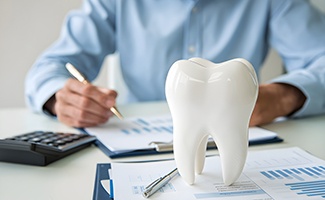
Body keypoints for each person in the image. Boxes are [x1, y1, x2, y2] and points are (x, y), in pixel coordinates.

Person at [25, 0, 325, 128]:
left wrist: (285, 95)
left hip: (243, 132)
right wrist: (60, 98)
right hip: (133, 142)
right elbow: (51, 66)